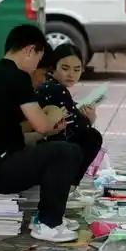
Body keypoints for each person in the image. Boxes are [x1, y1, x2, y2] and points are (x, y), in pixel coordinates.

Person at [0, 24, 85, 243]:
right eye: (38, 59)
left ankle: (47, 217)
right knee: (66, 152)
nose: (36, 68)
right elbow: (42, 125)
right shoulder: (17, 77)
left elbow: (9, 132)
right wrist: (55, 115)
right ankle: (49, 223)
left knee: (59, 150)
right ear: (30, 50)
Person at [35, 43, 103, 194]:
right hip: (48, 149)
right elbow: (79, 127)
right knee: (92, 137)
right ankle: (69, 186)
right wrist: (89, 119)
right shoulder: (56, 89)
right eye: (65, 69)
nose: (71, 74)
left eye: (77, 69)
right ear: (53, 67)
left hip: (43, 147)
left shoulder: (50, 86)